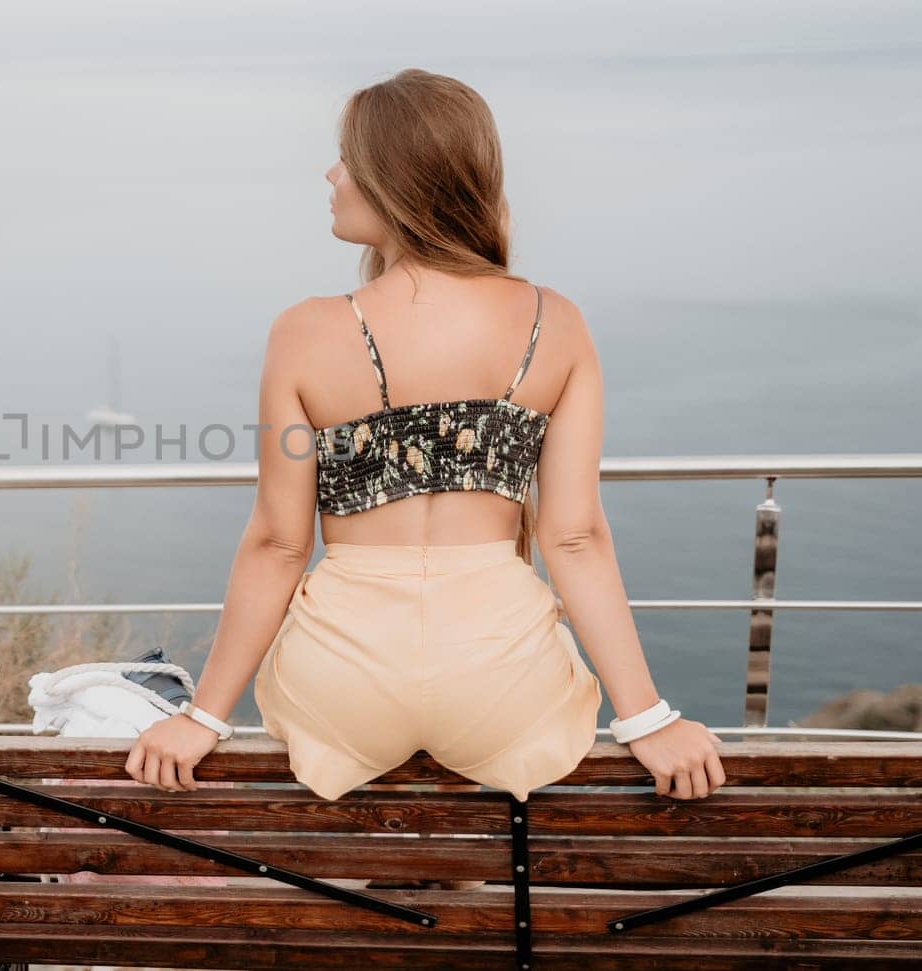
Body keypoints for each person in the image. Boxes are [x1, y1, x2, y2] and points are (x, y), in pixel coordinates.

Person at [125, 68, 726, 812]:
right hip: (501, 682)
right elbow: (576, 539)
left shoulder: (306, 331)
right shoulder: (554, 322)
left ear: (393, 179)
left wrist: (202, 717)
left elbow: (278, 545)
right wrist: (649, 718)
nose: (330, 173)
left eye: (345, 156)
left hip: (342, 684)